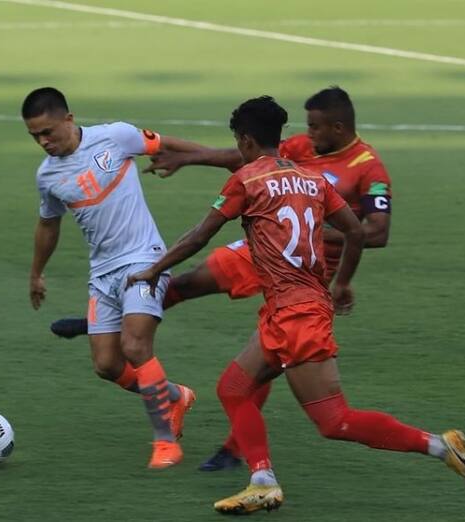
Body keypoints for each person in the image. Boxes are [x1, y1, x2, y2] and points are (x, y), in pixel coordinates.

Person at [126, 96, 465, 513]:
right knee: (233, 388)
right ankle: (262, 480)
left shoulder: (248, 179)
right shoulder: (313, 179)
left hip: (296, 314)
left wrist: (154, 270)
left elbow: (199, 235)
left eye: (238, 142)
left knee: (334, 420)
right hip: (295, 305)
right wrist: (342, 282)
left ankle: (439, 446)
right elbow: (356, 231)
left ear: (245, 140)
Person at [50, 87, 394, 470]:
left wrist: (304, 229)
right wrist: (188, 158)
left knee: (270, 352)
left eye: (316, 127)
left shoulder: (368, 167)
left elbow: (376, 232)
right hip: (259, 247)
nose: (308, 134)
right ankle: (111, 320)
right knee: (188, 282)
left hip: (303, 270)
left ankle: (236, 449)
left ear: (339, 127)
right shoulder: (299, 146)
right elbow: (246, 159)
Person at [23, 87, 200, 469]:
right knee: (106, 364)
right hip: (102, 272)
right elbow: (48, 225)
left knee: (135, 345)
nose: (43, 142)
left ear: (69, 119)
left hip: (145, 258)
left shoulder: (115, 137)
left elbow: (165, 144)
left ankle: (165, 441)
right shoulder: (48, 176)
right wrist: (36, 273)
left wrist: (227, 160)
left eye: (48, 132)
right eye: (35, 136)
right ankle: (175, 396)